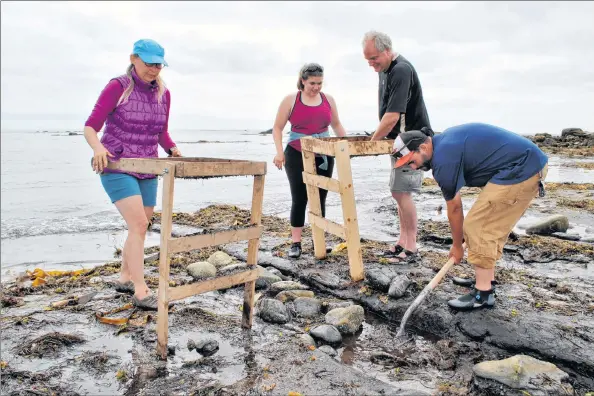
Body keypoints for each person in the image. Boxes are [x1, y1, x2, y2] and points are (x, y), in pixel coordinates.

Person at [392, 123, 549, 310]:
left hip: (522, 169)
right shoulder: (444, 144)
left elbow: (455, 209)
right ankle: (486, 280)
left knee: (478, 226)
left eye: (411, 161)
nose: (413, 168)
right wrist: (458, 243)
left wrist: (457, 246)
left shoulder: (443, 161)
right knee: (489, 225)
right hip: (524, 165)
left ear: (423, 147)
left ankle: (483, 294)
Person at [83, 39, 181, 310]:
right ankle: (140, 290)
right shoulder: (118, 86)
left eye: (158, 64)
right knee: (138, 225)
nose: (154, 69)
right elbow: (91, 126)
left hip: (147, 167)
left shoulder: (164, 93)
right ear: (134, 59)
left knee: (140, 227)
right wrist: (98, 147)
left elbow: (161, 133)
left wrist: (171, 148)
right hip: (115, 165)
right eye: (149, 63)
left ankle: (126, 277)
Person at [362, 30, 431, 263]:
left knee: (404, 193)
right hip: (397, 142)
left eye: (374, 58)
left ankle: (412, 247)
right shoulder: (385, 69)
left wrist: (370, 144)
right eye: (368, 60)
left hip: (411, 142)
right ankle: (402, 241)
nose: (371, 64)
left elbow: (392, 116)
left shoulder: (401, 69)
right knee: (397, 192)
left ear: (388, 50)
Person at [272, 63, 347, 258]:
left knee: (321, 197)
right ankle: (296, 243)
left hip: (323, 153)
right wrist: (279, 152)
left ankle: (318, 240)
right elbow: (277, 128)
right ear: (303, 80)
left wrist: (346, 147)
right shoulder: (291, 100)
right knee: (300, 198)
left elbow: (337, 125)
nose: (316, 87)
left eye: (319, 83)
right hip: (296, 152)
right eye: (312, 83)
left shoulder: (328, 99)